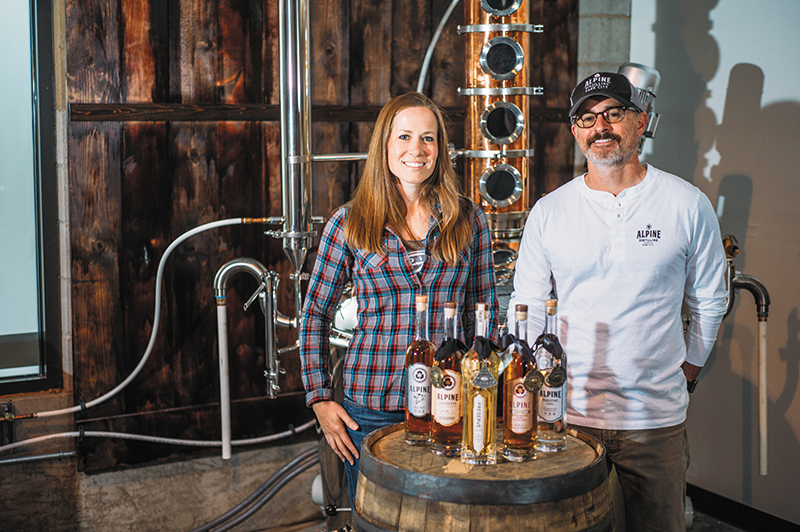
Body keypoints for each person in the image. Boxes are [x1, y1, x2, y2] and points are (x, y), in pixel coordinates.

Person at [508, 72, 727, 531]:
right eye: (587, 118)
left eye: (613, 113)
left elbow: (709, 299)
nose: (600, 127)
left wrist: (688, 370)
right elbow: (525, 304)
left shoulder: (686, 204)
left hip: (653, 420)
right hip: (567, 414)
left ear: (640, 121)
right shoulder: (549, 211)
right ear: (575, 132)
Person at [299, 91, 498, 506]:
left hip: (450, 400)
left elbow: (485, 313)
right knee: (378, 516)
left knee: (446, 515)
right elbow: (314, 313)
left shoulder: (470, 219)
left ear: (440, 149)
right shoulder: (349, 222)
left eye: (428, 138)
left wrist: (485, 391)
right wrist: (319, 397)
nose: (417, 149)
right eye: (404, 137)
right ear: (385, 146)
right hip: (372, 401)